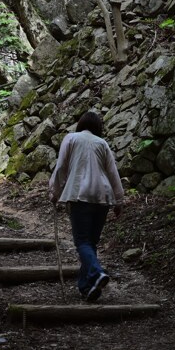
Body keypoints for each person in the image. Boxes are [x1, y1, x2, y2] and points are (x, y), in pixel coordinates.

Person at [48, 110, 125, 302]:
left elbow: (61, 167)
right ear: (98, 127)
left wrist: (54, 192)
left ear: (80, 124)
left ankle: (97, 272)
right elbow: (113, 172)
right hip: (102, 197)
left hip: (80, 195)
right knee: (90, 244)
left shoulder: (71, 138)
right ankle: (87, 287)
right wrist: (119, 200)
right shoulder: (102, 143)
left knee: (82, 242)